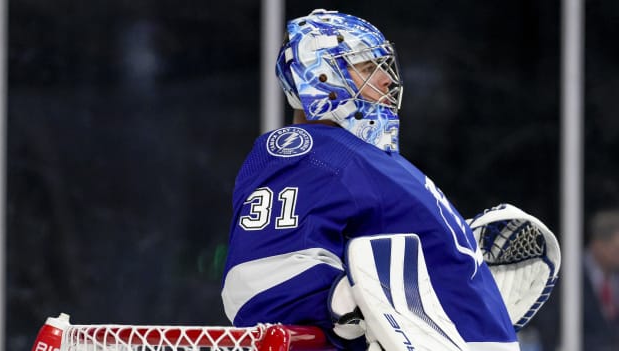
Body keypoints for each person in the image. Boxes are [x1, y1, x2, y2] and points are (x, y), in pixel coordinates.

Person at [221, 9, 519, 350]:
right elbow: (258, 278)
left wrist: (454, 263)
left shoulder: (368, 158)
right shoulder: (310, 150)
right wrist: (347, 304)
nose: (387, 80)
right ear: (320, 76)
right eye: (366, 67)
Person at [536, 207, 619, 351]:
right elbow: (550, 332)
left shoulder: (614, 277)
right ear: (598, 244)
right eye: (617, 248)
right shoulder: (565, 277)